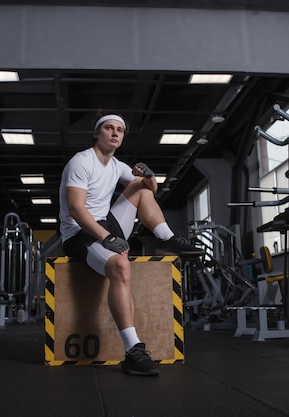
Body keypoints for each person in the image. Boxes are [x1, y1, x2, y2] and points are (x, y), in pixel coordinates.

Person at [58, 110, 203, 376]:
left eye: (120, 130)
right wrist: (107, 237)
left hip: (105, 224)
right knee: (121, 267)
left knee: (141, 187)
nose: (114, 133)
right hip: (80, 233)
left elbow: (152, 190)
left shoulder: (117, 166)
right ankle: (133, 350)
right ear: (97, 133)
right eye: (109, 128)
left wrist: (149, 175)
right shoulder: (81, 162)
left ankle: (166, 237)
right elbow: (77, 210)